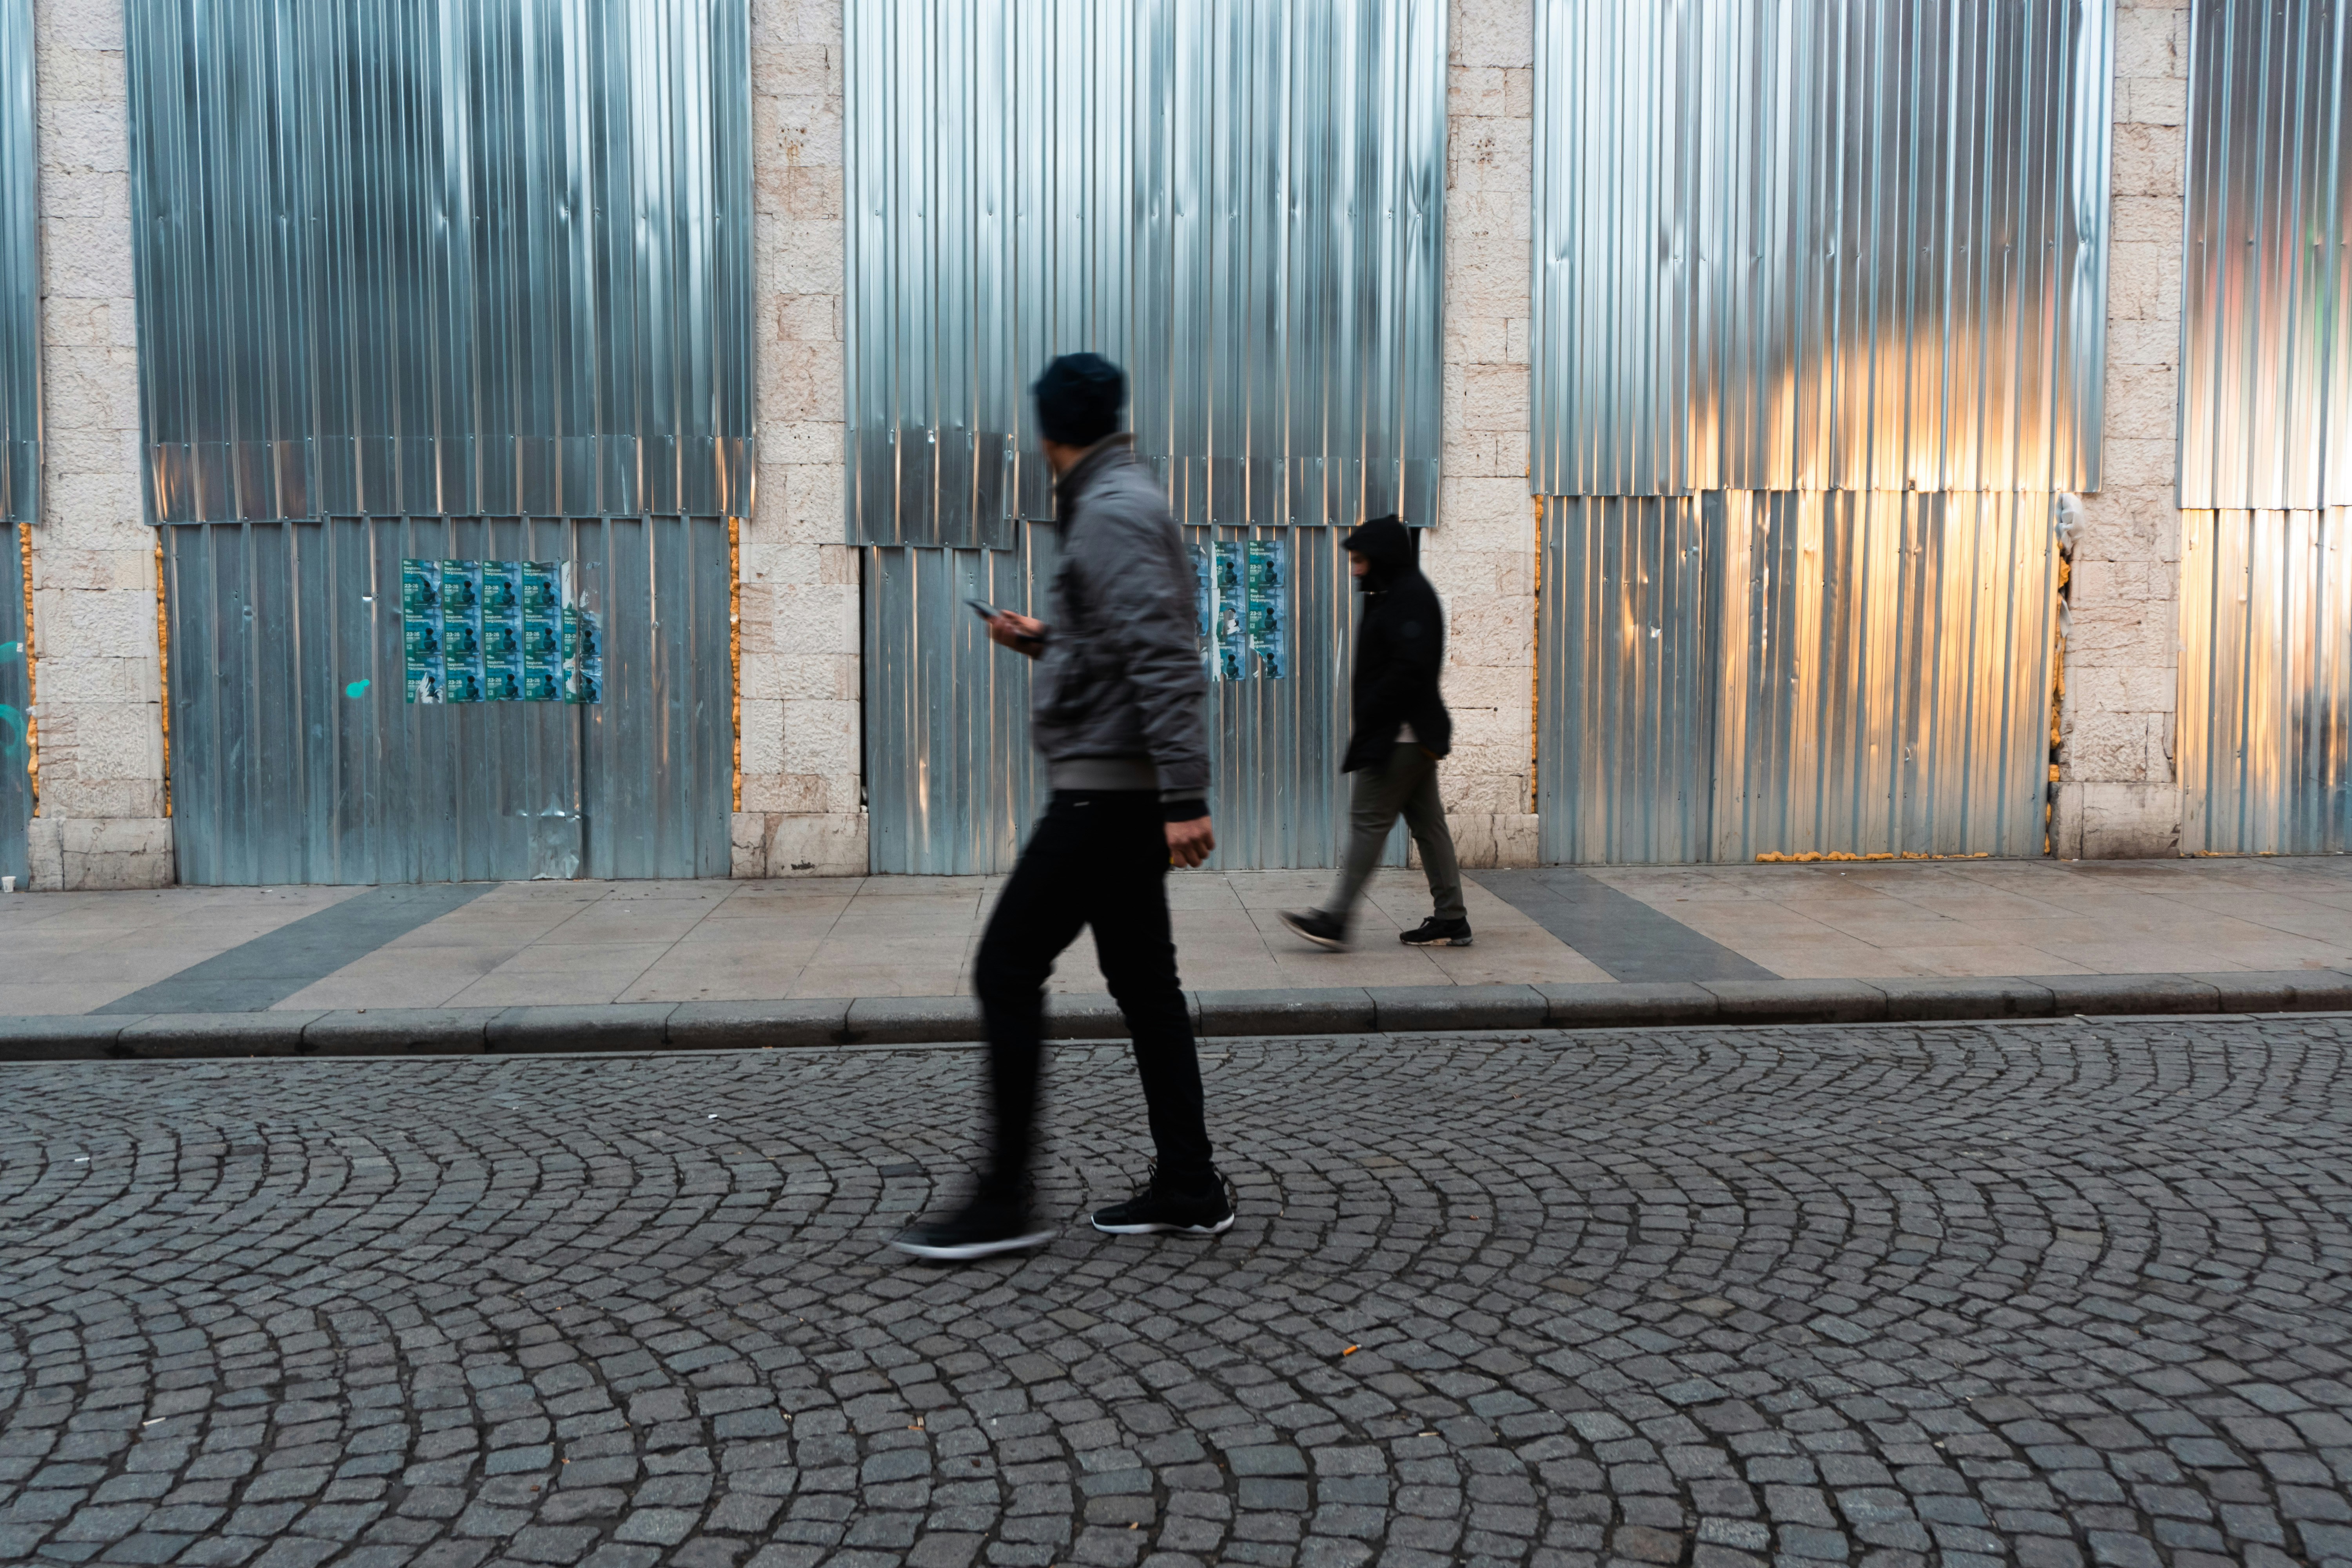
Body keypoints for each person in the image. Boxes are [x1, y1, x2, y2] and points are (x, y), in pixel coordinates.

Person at [893, 352, 1232, 1262]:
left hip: (1104, 792)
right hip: (1117, 785)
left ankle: (1005, 1199)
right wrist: (1046, 641)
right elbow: (1121, 647)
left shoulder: (1112, 512)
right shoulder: (1120, 498)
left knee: (1006, 967)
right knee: (1146, 987)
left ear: (1048, 432)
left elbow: (1164, 654)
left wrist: (1185, 795)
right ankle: (1191, 1185)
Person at [1278, 515, 1471, 951]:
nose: (1355, 569)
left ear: (1381, 558)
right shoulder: (1392, 593)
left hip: (1399, 736)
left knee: (1368, 821)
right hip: (1408, 733)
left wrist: (1372, 712)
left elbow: (1409, 668)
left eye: (1361, 560)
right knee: (1429, 825)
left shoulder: (1408, 597)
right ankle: (1452, 918)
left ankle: (1336, 918)